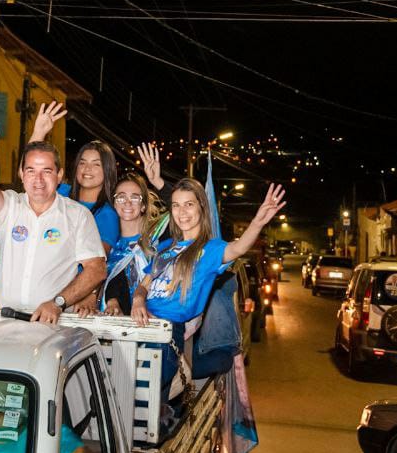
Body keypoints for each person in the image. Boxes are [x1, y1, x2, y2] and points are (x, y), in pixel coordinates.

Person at [0, 121, 106, 322]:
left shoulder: (78, 216)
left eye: (47, 171)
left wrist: (58, 302)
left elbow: (97, 269)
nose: (38, 179)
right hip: (4, 320)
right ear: (22, 175)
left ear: (59, 175)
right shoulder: (10, 206)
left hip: (52, 324)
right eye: (31, 171)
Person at [131, 179, 285, 327]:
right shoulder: (165, 247)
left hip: (168, 331)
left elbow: (239, 248)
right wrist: (138, 301)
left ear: (202, 206)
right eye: (176, 205)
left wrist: (257, 223)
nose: (182, 212)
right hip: (142, 323)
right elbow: (144, 285)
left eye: (189, 204)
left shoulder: (210, 249)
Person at [28, 102, 120, 251]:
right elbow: (31, 175)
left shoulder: (107, 215)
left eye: (96, 164)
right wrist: (38, 132)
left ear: (107, 170)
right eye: (82, 163)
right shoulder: (60, 192)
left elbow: (97, 260)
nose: (87, 169)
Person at [100, 173, 164, 316]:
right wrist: (112, 301)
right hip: (116, 326)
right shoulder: (107, 245)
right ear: (113, 204)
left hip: (157, 321)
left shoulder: (158, 237)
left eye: (135, 197)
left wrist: (160, 183)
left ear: (143, 205)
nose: (127, 203)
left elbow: (183, 208)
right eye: (121, 197)